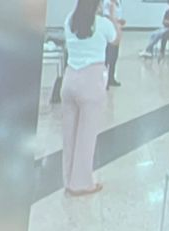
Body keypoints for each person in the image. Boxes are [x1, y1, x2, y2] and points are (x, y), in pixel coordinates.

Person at [62, 0, 118, 196]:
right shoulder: (103, 24)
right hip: (91, 83)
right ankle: (82, 184)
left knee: (69, 136)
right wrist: (112, 15)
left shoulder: (69, 21)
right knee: (86, 137)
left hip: (69, 80)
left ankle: (68, 180)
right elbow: (116, 39)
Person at [104, 0, 125, 85]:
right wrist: (115, 21)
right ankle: (105, 78)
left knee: (114, 56)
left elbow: (117, 16)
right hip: (110, 30)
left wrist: (119, 21)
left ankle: (111, 77)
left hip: (117, 30)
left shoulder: (118, 2)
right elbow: (107, 16)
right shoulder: (107, 2)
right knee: (108, 56)